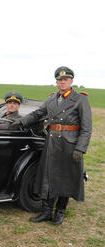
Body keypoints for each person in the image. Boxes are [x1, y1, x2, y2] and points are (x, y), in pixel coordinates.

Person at [12, 66, 92, 225]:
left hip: (70, 144)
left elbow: (87, 128)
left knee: (66, 179)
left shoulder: (81, 99)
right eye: (59, 80)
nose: (62, 82)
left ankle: (60, 212)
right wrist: (22, 121)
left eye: (65, 80)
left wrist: (80, 148)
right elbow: (38, 114)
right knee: (48, 177)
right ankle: (46, 212)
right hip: (52, 143)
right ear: (56, 82)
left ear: (71, 81)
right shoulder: (51, 99)